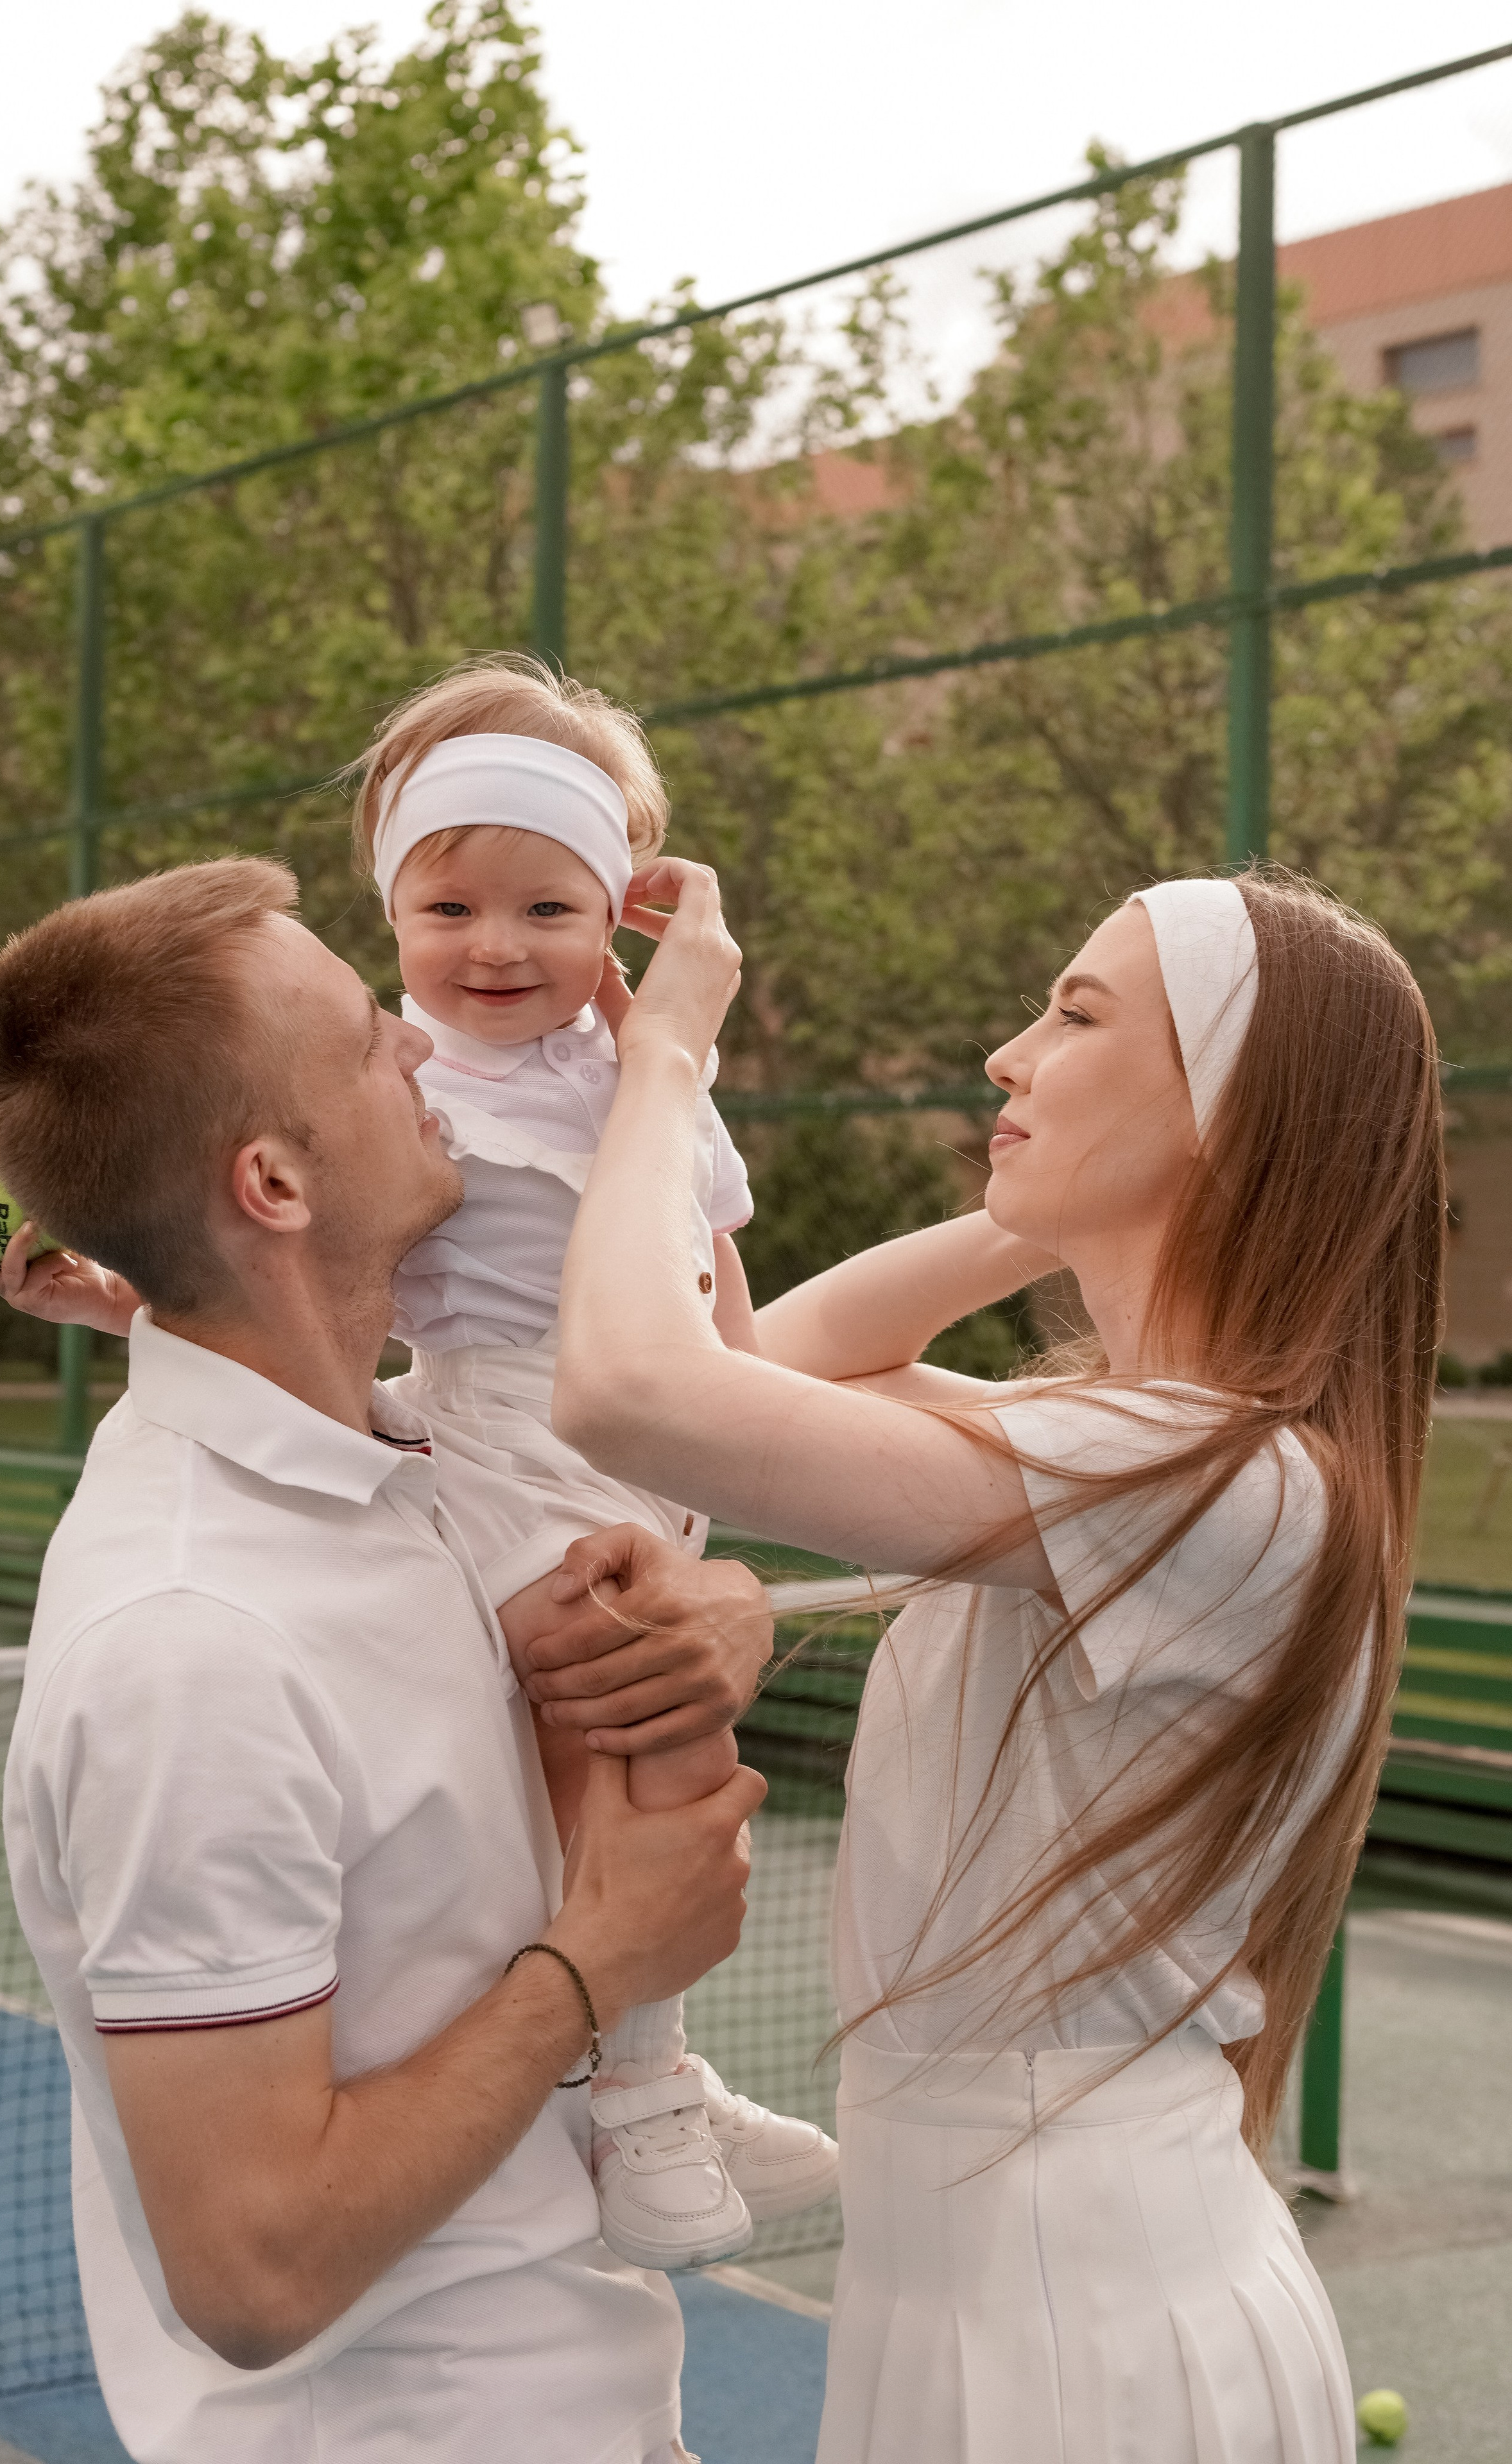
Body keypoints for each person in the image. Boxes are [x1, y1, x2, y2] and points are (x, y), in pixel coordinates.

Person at [551, 859, 1443, 2463]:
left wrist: (666, 1064)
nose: (1006, 1057)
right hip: (1005, 2283)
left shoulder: (1212, 1481)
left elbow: (629, 1384)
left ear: (1226, 1113)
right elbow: (771, 1364)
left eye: (1075, 1014)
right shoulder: (1127, 1450)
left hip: (1081, 2328)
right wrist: (1055, 1192)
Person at [0, 854, 772, 2464]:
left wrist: (712, 1599)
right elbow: (252, 2272)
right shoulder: (193, 1650)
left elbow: (630, 1511)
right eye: (360, 1037)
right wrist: (597, 1964)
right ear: (272, 1184)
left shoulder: (398, 1468)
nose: (416, 1038)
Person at [344, 652, 836, 2269]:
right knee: (631, 1758)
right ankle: (636, 2104)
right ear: (393, 908)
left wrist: (748, 1421)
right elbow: (296, 1272)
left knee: (675, 1784)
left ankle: (659, 2070)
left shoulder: (644, 1075)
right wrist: (120, 1295)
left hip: (645, 1460)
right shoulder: (375, 1080)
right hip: (495, 1449)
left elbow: (709, 1270)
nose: (496, 946)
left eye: (548, 909)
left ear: (620, 910)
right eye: (452, 906)